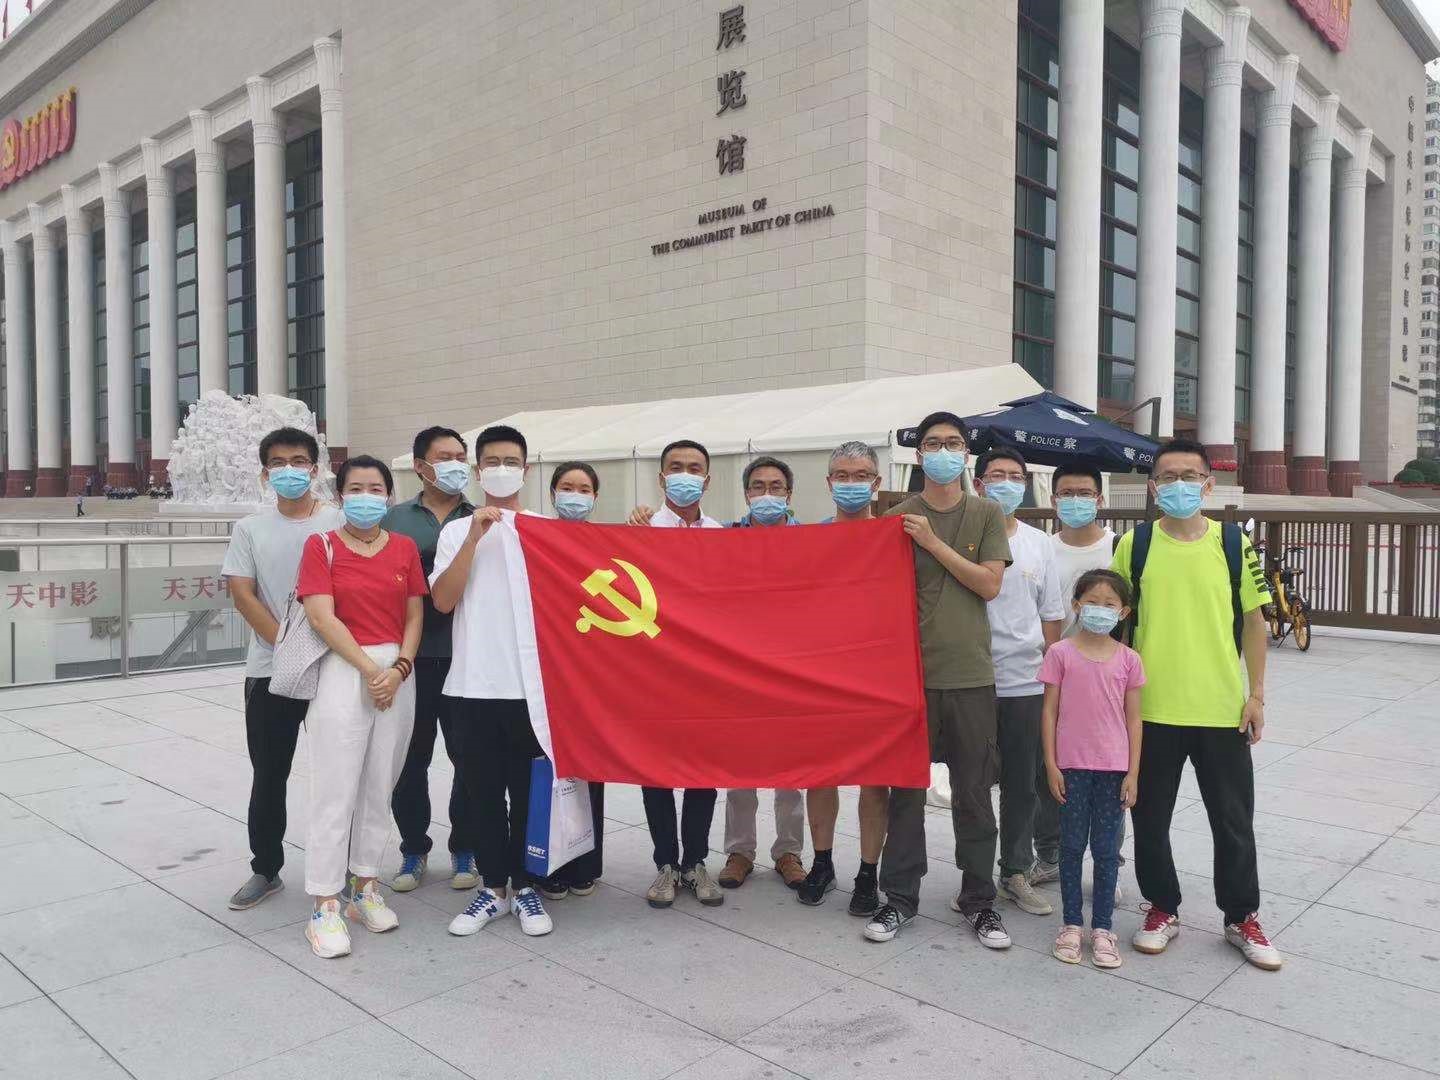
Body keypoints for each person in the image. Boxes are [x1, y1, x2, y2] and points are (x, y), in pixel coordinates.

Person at [1111, 438, 1280, 971]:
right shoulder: (1134, 544)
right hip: (1151, 711)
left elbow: (1254, 621)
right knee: (1149, 818)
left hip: (1221, 710)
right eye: (1168, 477)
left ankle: (1241, 916)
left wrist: (1255, 695)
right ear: (1152, 487)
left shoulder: (1234, 543)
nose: (1179, 485)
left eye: (1189, 476)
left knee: (1233, 821)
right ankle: (1162, 907)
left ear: (1208, 484)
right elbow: (1116, 624)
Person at [866, 412, 1013, 947]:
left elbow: (989, 585)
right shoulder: (898, 517)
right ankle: (899, 898)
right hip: (911, 679)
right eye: (933, 444)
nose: (943, 452)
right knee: (905, 795)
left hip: (971, 675)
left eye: (953, 443)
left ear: (966, 454)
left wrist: (932, 543)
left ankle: (979, 901)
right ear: (919, 454)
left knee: (974, 795)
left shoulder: (986, 512)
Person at [295, 455, 426, 959]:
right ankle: (324, 902)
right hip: (343, 670)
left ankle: (364, 886)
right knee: (334, 789)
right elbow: (321, 618)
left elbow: (414, 614)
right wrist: (372, 672)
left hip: (397, 674)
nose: (366, 497)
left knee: (379, 785)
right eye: (356, 488)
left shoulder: (404, 548)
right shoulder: (321, 546)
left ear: (389, 496)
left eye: (375, 489)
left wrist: (399, 668)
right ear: (339, 495)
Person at [432, 425, 556, 938]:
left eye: (511, 461)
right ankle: (493, 888)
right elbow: (443, 600)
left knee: (528, 794)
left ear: (526, 469)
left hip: (531, 689)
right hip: (471, 686)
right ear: (477, 470)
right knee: (480, 794)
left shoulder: (547, 530)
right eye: (492, 461)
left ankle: (525, 887)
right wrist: (474, 538)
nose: (501, 469)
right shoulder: (457, 531)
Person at [221, 427, 344, 911]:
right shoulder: (250, 529)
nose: (289, 470)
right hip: (270, 670)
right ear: (265, 473)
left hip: (336, 666)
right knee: (270, 773)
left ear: (315, 468)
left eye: (298, 461)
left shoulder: (339, 520)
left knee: (341, 771)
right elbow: (242, 593)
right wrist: (289, 647)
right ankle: (265, 868)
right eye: (278, 463)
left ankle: (344, 868)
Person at [798, 441, 891, 914]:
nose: (851, 483)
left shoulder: (895, 536)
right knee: (821, 775)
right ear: (829, 482)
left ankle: (868, 873)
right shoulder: (807, 540)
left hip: (879, 676)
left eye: (860, 475)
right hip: (820, 676)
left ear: (876, 482)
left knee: (875, 782)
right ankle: (822, 862)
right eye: (842, 475)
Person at [972, 446, 1064, 919]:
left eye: (1015, 476)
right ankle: (974, 876)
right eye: (996, 475)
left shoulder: (1039, 543)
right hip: (970, 680)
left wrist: (1050, 677)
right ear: (978, 484)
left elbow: (1051, 615)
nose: (1006, 483)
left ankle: (1015, 871)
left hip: (1025, 682)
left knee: (1022, 785)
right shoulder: (963, 536)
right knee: (972, 784)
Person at [383, 426, 477, 893]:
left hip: (468, 657)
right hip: (410, 658)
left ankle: (466, 847)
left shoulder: (481, 517)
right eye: (445, 457)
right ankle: (413, 849)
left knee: (469, 759)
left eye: (461, 456)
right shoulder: (393, 520)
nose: (456, 464)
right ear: (421, 466)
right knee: (410, 759)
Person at [637, 439, 726, 910]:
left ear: (707, 480)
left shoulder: (721, 535)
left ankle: (695, 861)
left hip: (704, 675)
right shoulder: (639, 530)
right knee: (655, 770)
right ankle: (665, 864)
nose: (685, 475)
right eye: (676, 467)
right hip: (654, 672)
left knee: (702, 771)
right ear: (661, 477)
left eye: (694, 468)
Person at [1040, 569, 1144, 969]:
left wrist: (1133, 773)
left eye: (1110, 604)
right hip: (1071, 767)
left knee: (1105, 851)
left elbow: (1134, 719)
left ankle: (1102, 928)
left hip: (1113, 770)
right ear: (1076, 605)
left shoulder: (1129, 660)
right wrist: (1051, 764)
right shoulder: (1060, 653)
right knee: (1070, 847)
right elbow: (1049, 712)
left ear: (1124, 611)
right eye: (1092, 602)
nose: (1101, 610)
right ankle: (1071, 924)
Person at [718, 456, 808, 891]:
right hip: (740, 668)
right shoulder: (724, 540)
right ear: (746, 493)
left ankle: (789, 851)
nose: (766, 494)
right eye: (758, 486)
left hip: (794, 667)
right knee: (741, 766)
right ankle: (740, 851)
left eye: (776, 487)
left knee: (792, 769)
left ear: (789, 494)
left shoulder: (813, 542)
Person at [1030, 460, 1117, 891]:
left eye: (1085, 493)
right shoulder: (1043, 549)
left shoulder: (1119, 548)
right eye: (1067, 493)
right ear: (1054, 499)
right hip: (1054, 676)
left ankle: (1108, 863)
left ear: (1099, 499)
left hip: (1106, 681)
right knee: (1049, 773)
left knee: (1106, 776)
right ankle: (1048, 856)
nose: (1076, 501)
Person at [538, 461, 606, 901]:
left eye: (584, 488)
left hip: (592, 671)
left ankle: (585, 863)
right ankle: (549, 863)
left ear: (595, 497)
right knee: (548, 766)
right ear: (552, 494)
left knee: (590, 767)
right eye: (567, 487)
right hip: (548, 666)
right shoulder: (538, 536)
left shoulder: (605, 541)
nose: (575, 495)